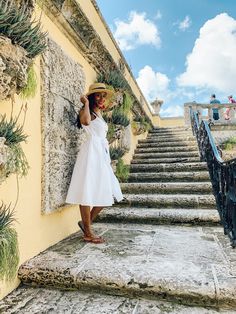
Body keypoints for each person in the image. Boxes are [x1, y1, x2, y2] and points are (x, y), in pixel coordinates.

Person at [66, 83, 123, 244]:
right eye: (98, 95)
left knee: (108, 190)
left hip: (102, 154)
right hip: (91, 152)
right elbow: (84, 122)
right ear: (92, 96)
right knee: (87, 189)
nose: (101, 98)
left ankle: (86, 224)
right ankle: (88, 232)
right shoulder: (88, 111)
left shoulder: (100, 113)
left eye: (103, 96)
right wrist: (86, 103)